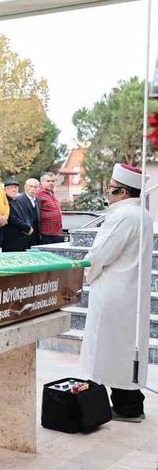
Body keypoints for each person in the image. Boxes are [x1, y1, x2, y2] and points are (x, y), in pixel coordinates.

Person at [81, 164, 152, 422]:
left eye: (111, 189)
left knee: (109, 351)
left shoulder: (123, 215)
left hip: (114, 291)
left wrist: (85, 273)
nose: (107, 194)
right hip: (129, 291)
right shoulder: (142, 214)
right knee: (122, 351)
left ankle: (126, 407)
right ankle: (130, 404)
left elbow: (101, 254)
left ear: (123, 192)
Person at [1, 178, 34, 253]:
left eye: (15, 187)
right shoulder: (4, 201)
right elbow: (11, 218)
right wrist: (26, 228)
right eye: (11, 187)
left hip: (23, 237)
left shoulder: (18, 201)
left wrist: (28, 226)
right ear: (5, 190)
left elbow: (25, 216)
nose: (14, 189)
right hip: (11, 238)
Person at [36, 172, 65, 245]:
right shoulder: (38, 194)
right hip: (45, 234)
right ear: (42, 182)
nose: (51, 183)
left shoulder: (52, 193)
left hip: (56, 232)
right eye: (48, 181)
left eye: (52, 181)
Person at [15, 178, 42, 249]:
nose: (33, 189)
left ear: (38, 188)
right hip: (23, 235)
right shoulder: (18, 199)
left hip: (36, 235)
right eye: (31, 186)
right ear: (25, 187)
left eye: (35, 187)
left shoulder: (38, 200)